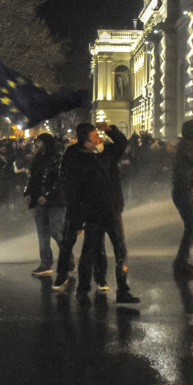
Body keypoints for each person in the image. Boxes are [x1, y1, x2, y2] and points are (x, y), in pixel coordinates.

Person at [56, 122, 137, 303]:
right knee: (89, 253)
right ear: (87, 143)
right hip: (94, 214)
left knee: (121, 252)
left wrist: (110, 129)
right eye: (95, 137)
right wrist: (76, 221)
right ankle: (83, 291)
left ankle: (123, 290)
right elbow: (74, 194)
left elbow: (122, 143)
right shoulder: (79, 161)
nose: (100, 139)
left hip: (113, 211)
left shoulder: (107, 153)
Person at [24, 133, 65, 276]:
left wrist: (47, 195)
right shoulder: (38, 158)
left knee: (56, 231)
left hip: (55, 202)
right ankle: (45, 264)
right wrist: (29, 192)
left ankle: (68, 257)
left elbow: (59, 180)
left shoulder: (57, 158)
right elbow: (32, 178)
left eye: (39, 142)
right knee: (42, 233)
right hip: (39, 202)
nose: (36, 144)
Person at [171, 119, 193, 277]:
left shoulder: (186, 145)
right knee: (192, 227)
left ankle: (182, 261)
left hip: (186, 190)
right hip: (185, 190)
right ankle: (180, 262)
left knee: (192, 227)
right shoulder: (187, 146)